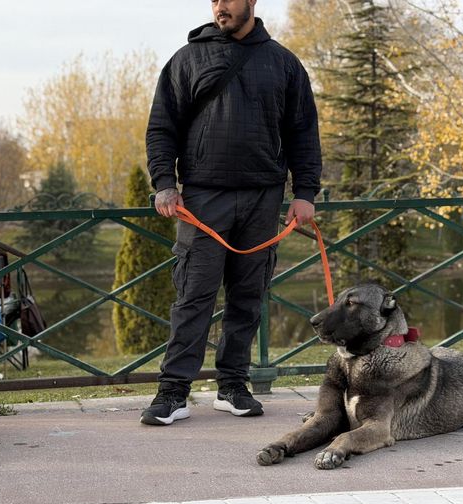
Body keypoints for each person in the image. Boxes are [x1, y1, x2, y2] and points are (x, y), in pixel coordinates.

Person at [141, 0, 322, 425]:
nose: (220, 7)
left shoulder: (284, 63)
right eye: (214, 0)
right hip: (203, 198)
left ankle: (233, 386)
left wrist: (305, 193)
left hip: (263, 196)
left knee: (247, 297)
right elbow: (162, 127)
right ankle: (173, 392)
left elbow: (303, 132)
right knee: (194, 296)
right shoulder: (187, 59)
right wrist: (164, 182)